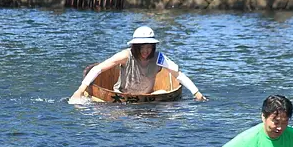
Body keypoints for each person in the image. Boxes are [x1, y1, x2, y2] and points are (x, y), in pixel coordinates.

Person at [69, 26, 206, 103]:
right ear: (135, 47)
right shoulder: (126, 55)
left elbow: (179, 75)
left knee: (164, 95)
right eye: (142, 47)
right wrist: (80, 90)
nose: (145, 51)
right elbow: (98, 68)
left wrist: (197, 93)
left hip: (147, 98)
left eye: (149, 47)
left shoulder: (159, 58)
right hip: (120, 98)